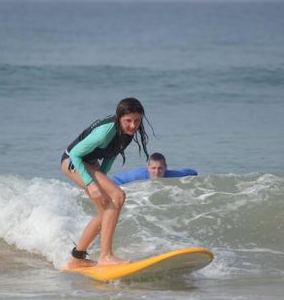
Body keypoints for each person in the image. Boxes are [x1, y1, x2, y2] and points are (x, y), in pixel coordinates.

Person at [61, 98, 150, 268]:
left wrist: (102, 180)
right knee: (118, 196)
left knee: (105, 212)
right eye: (128, 121)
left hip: (90, 163)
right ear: (119, 118)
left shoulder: (127, 134)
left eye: (137, 121)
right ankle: (106, 256)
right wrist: (91, 184)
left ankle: (77, 259)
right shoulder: (105, 132)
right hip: (73, 161)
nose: (133, 125)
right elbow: (75, 154)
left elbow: (110, 155)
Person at [112, 152, 198, 185]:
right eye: (153, 168)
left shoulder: (171, 174)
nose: (156, 172)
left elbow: (193, 172)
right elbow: (115, 179)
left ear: (165, 168)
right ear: (148, 168)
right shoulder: (138, 175)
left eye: (160, 168)